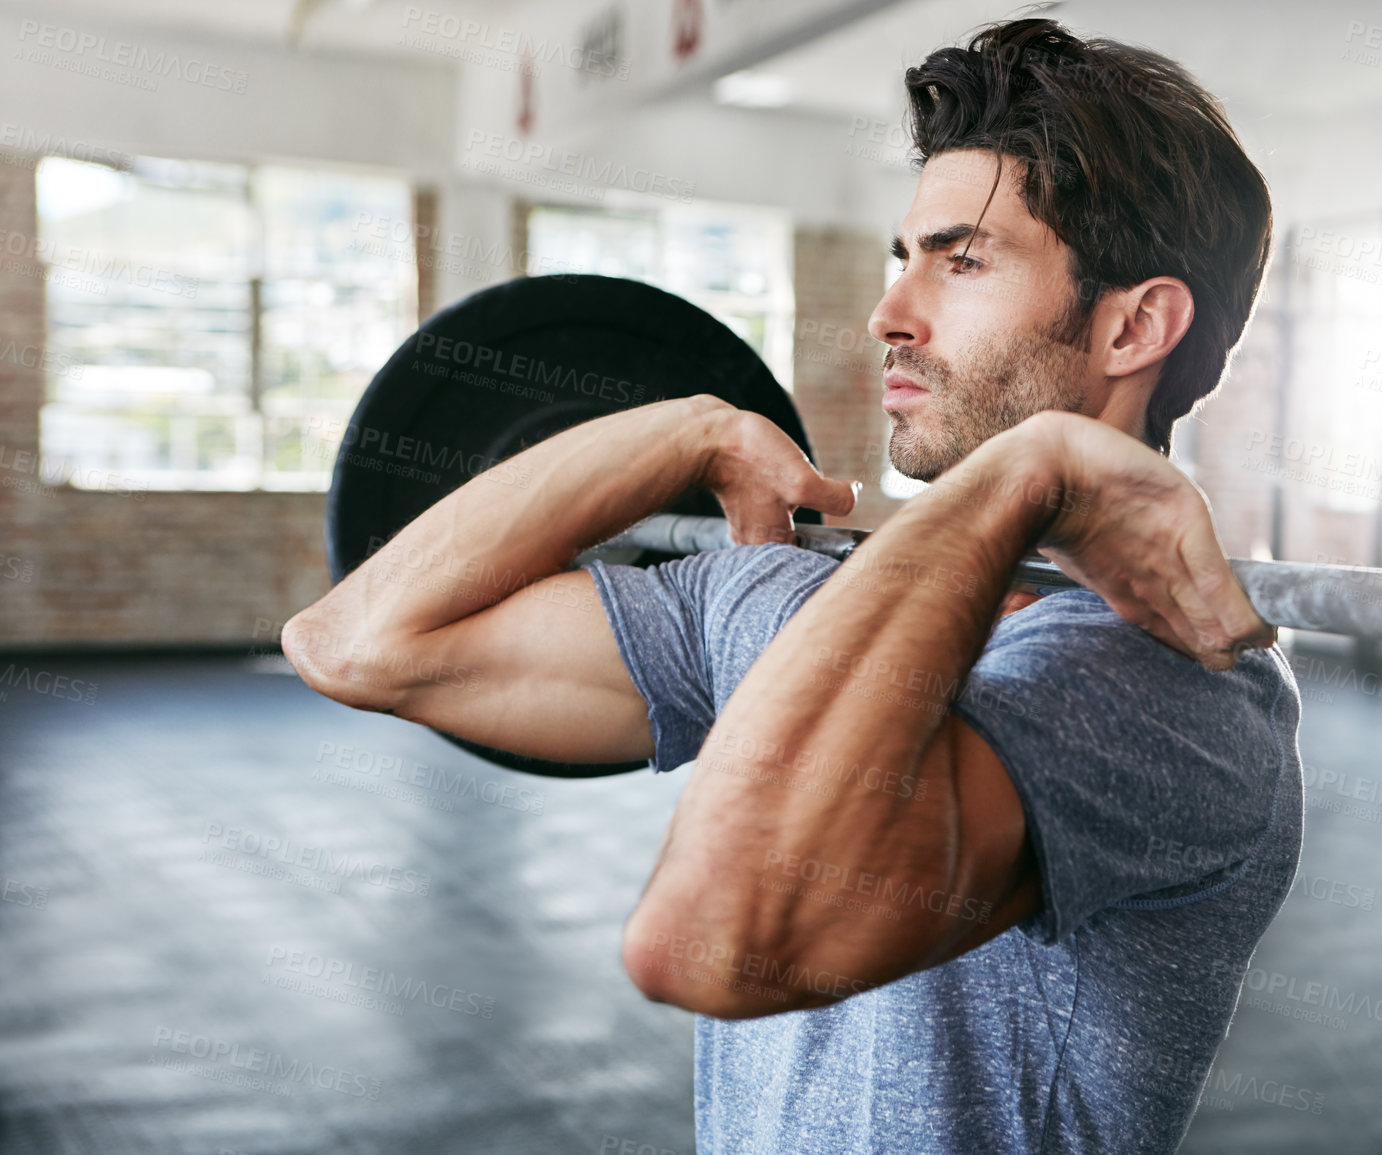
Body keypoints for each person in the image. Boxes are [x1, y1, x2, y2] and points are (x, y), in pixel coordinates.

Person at [284, 17, 1301, 1154]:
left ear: (1134, 326)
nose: (889, 316)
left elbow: (713, 939)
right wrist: (686, 430)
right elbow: (356, 639)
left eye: (959, 261)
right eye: (902, 257)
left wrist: (1030, 467)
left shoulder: (1179, 696)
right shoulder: (785, 597)